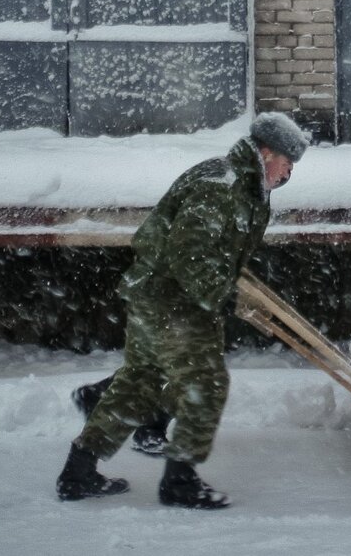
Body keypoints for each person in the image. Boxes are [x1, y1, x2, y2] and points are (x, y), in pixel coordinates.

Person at [55, 112, 309, 509]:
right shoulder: (223, 186)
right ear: (265, 153)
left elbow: (212, 249)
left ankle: (78, 471)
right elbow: (189, 251)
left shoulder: (237, 181)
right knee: (204, 384)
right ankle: (180, 482)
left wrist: (228, 284)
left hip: (155, 295)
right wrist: (218, 293)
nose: (289, 173)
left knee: (138, 382)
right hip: (176, 301)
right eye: (287, 163)